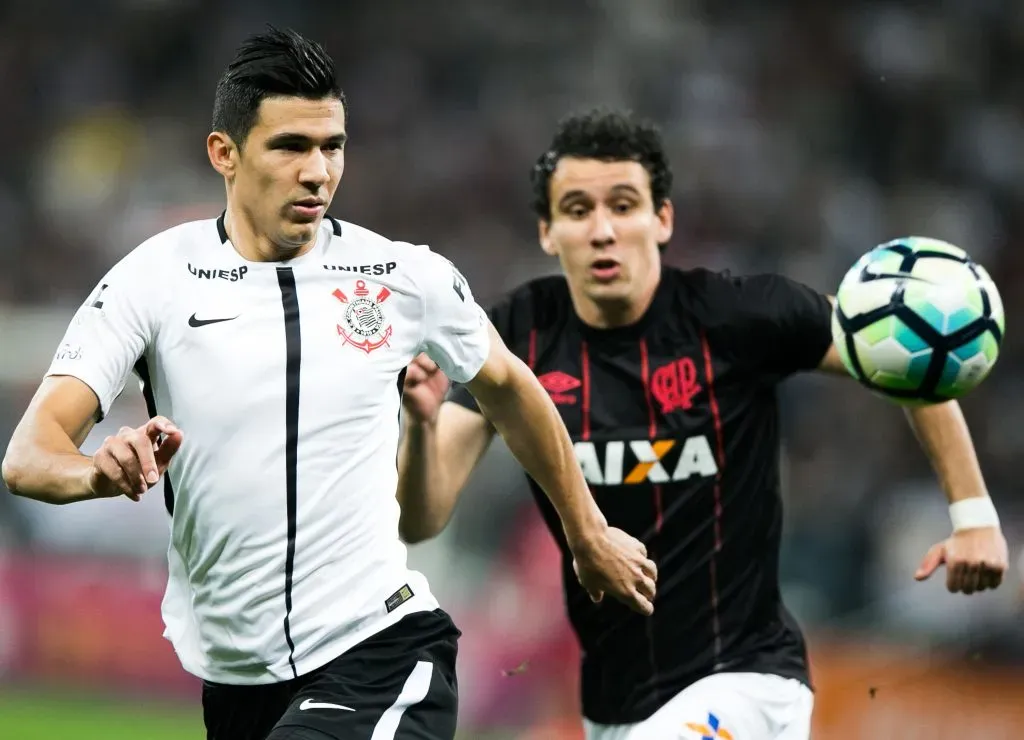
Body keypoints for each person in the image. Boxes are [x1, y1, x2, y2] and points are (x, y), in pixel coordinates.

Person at [0, 32, 658, 740]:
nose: (318, 171)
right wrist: (97, 473)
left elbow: (508, 385)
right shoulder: (152, 280)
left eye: (333, 145)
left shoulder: (403, 278)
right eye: (290, 147)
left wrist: (587, 533)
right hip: (236, 685)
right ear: (225, 153)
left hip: (379, 650)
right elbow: (28, 456)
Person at [396, 108, 1010, 740]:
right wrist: (420, 425)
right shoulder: (516, 334)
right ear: (549, 232)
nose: (603, 230)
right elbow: (423, 517)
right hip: (613, 706)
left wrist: (973, 514)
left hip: (747, 680)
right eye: (578, 210)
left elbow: (899, 348)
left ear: (662, 219)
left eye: (624, 205)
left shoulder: (737, 313)